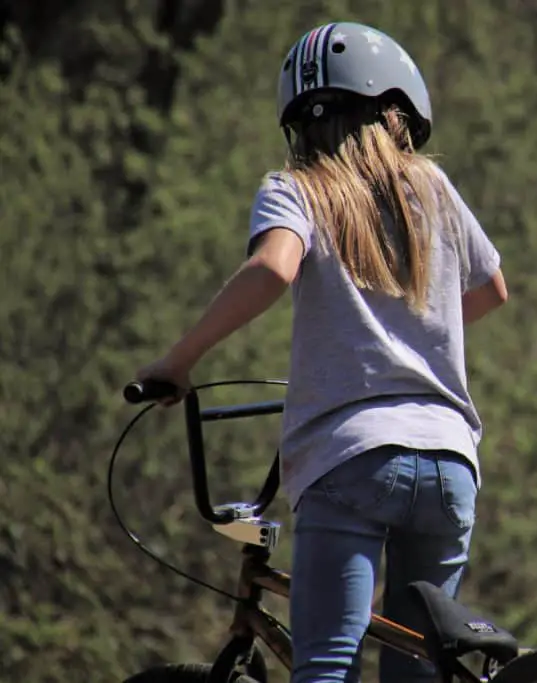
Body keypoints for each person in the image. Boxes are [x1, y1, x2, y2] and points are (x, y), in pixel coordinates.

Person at [134, 21, 508, 683]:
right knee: (419, 670)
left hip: (351, 456)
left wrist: (179, 360)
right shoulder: (435, 188)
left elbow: (274, 269)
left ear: (297, 126)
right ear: (397, 111)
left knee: (328, 663)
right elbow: (490, 290)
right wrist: (411, 343)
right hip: (451, 459)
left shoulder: (295, 188)